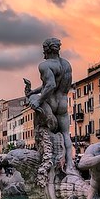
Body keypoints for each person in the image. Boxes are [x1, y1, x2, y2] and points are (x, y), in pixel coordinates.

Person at [24, 37, 75, 172]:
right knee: (65, 134)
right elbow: (52, 85)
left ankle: (44, 159)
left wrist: (37, 99)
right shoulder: (66, 65)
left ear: (45, 50)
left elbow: (50, 85)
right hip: (63, 103)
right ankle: (69, 165)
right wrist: (33, 91)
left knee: (39, 126)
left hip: (51, 103)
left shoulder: (45, 65)